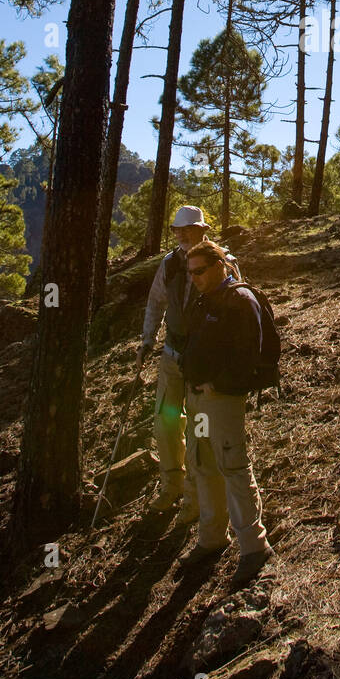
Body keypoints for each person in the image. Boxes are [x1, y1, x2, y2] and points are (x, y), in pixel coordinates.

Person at [178, 240, 274, 587]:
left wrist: (218, 385)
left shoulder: (239, 300)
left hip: (222, 399)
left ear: (220, 265)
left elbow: (249, 354)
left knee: (233, 464)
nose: (195, 279)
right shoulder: (206, 300)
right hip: (199, 398)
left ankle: (254, 547)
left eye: (200, 271)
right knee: (203, 462)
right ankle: (211, 537)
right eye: (191, 274)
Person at [138, 206, 213, 522]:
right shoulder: (168, 264)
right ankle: (171, 485)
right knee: (166, 422)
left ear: (201, 231)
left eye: (188, 229)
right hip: (171, 355)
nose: (182, 234)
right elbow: (156, 303)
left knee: (199, 426)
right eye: (178, 230)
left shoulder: (221, 262)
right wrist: (146, 340)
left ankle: (195, 497)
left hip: (203, 361)